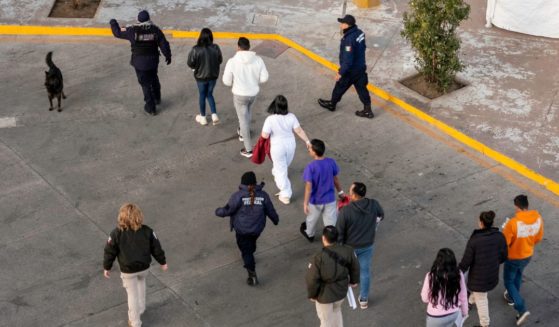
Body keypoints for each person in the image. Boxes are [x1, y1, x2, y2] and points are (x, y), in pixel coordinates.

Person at [103, 203, 167, 327]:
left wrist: (107, 267)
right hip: (144, 267)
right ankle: (141, 307)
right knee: (141, 283)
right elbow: (156, 248)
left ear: (121, 217)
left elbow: (109, 252)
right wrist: (162, 262)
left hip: (128, 270)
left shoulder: (116, 233)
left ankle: (135, 322)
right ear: (139, 216)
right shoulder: (147, 231)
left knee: (131, 294)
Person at [215, 171, 279, 285]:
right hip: (257, 229)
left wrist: (218, 212)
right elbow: (270, 210)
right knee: (251, 243)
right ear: (255, 183)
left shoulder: (238, 196)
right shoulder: (263, 195)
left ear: (243, 183)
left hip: (242, 230)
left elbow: (228, 209)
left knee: (245, 251)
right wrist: (275, 220)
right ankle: (250, 252)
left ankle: (252, 273)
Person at [110, 10, 172, 116]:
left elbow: (117, 33)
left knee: (145, 85)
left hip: (139, 64)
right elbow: (164, 44)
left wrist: (113, 23)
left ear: (138, 19)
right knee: (154, 79)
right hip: (153, 62)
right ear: (149, 19)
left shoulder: (132, 31)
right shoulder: (155, 30)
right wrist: (168, 56)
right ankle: (157, 98)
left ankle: (151, 108)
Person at [336, 182, 384, 310]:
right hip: (367, 245)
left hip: (350, 248)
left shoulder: (346, 211)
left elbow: (339, 232)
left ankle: (349, 285)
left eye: (350, 191)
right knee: (365, 272)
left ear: (354, 195)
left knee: (347, 268)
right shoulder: (374, 204)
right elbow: (381, 215)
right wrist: (373, 227)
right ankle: (363, 299)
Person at [317, 14, 374, 119]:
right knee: (362, 89)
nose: (340, 25)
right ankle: (368, 110)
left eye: (342, 23)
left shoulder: (349, 40)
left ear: (347, 25)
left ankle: (332, 104)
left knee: (339, 86)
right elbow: (363, 48)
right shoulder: (360, 33)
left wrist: (340, 73)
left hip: (350, 71)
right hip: (360, 68)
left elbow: (348, 60)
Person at [458, 211, 507, 327]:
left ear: (481, 223)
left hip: (478, 278)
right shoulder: (500, 236)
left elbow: (466, 262)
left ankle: (484, 324)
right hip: (492, 274)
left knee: (482, 300)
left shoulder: (474, 240)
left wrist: (456, 272)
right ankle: (470, 301)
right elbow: (504, 256)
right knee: (479, 293)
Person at [222, 37, 269, 158]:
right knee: (248, 112)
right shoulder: (258, 60)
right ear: (249, 47)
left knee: (243, 118)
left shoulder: (232, 61)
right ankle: (243, 132)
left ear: (238, 47)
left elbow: (226, 82)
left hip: (239, 95)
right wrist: (254, 81)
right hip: (253, 94)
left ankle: (248, 149)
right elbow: (264, 78)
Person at [502, 195, 544, 325]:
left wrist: (504, 230)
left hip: (513, 257)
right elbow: (538, 238)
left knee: (508, 280)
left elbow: (505, 243)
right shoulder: (538, 219)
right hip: (527, 255)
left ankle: (521, 307)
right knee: (518, 274)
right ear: (527, 205)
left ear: (517, 207)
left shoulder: (513, 223)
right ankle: (512, 296)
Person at [261, 95, 311, 205]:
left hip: (277, 147)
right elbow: (299, 131)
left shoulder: (270, 119)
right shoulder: (291, 116)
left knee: (281, 170)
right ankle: (278, 174)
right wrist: (307, 141)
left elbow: (264, 135)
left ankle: (285, 194)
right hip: (290, 145)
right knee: (284, 165)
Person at [306, 226, 360, 327]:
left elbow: (312, 279)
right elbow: (355, 267)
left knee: (326, 320)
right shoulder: (348, 251)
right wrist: (353, 281)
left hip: (324, 296)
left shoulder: (318, 257)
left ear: (323, 238)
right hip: (341, 291)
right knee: (336, 311)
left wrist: (312, 295)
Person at [300, 139, 344, 242]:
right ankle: (331, 239)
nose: (308, 150)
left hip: (315, 201)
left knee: (311, 220)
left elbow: (308, 187)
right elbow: (335, 180)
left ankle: (310, 234)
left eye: (310, 148)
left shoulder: (310, 167)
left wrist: (305, 203)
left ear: (314, 152)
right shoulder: (331, 162)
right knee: (331, 223)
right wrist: (341, 193)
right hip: (330, 199)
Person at [421, 248, 468, 327]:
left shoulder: (431, 276)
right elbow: (463, 295)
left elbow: (425, 298)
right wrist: (464, 312)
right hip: (453, 314)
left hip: (435, 318)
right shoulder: (459, 274)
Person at [187, 28, 223, 126]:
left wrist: (195, 68)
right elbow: (220, 60)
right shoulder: (216, 47)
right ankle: (214, 114)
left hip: (201, 78)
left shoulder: (195, 49)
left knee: (202, 95)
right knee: (210, 94)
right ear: (211, 37)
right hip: (213, 77)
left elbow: (190, 63)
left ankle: (203, 117)